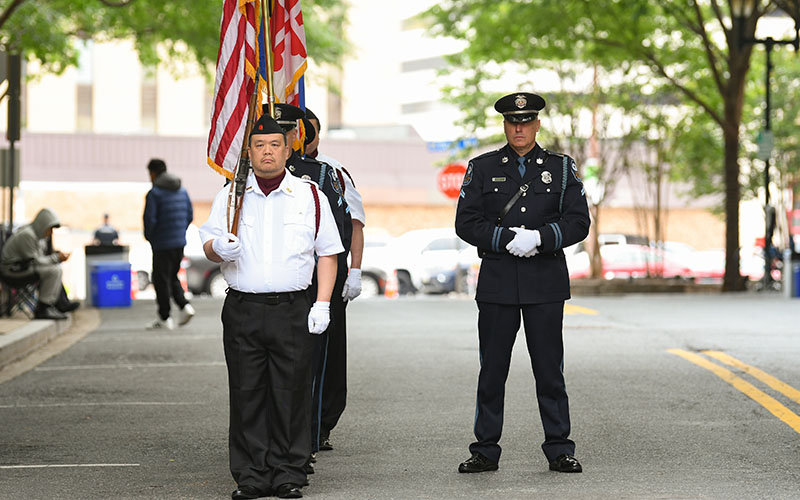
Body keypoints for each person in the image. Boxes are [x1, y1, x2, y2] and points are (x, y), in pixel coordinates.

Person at [200, 113, 343, 500]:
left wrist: (323, 304)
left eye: (275, 145)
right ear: (249, 151)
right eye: (260, 145)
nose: (267, 152)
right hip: (243, 309)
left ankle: (288, 473)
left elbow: (328, 253)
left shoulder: (311, 196)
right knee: (247, 393)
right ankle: (250, 475)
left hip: (293, 308)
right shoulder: (230, 196)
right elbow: (208, 247)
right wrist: (219, 249)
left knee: (292, 392)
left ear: (287, 148)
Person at [454, 92, 590, 474]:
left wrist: (541, 238)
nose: (519, 127)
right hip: (498, 282)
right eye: (513, 122)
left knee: (549, 370)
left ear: (537, 125)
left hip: (545, 284)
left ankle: (560, 448)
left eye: (526, 121)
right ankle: (484, 449)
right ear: (504, 125)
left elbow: (579, 221)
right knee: (492, 370)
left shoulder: (561, 168)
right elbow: (466, 222)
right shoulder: (481, 168)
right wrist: (505, 239)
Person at [269, 102, 352, 469]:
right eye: (273, 134)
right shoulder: (245, 177)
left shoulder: (319, 175)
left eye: (288, 133)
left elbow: (338, 235)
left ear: (298, 136)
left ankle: (309, 434)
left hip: (309, 286)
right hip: (265, 289)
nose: (280, 142)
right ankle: (268, 438)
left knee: (311, 366)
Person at [303, 107, 365, 452]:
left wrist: (355, 270)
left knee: (326, 354)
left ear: (316, 134)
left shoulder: (333, 172)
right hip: (291, 277)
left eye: (306, 130)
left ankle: (322, 423)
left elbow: (355, 223)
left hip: (329, 273)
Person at [0, 208, 80, 320]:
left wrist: (55, 257)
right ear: (43, 225)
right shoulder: (28, 235)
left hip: (23, 268)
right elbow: (36, 261)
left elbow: (38, 260)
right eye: (50, 229)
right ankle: (44, 308)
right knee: (53, 270)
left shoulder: (37, 236)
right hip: (12, 272)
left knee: (54, 268)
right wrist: (56, 258)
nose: (50, 233)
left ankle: (61, 303)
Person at [143, 158, 195, 330]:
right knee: (171, 276)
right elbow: (189, 215)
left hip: (162, 244)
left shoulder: (155, 193)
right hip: (179, 242)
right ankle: (184, 306)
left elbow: (150, 220)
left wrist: (151, 238)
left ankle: (165, 318)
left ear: (153, 173)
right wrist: (179, 232)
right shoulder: (182, 190)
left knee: (160, 279)